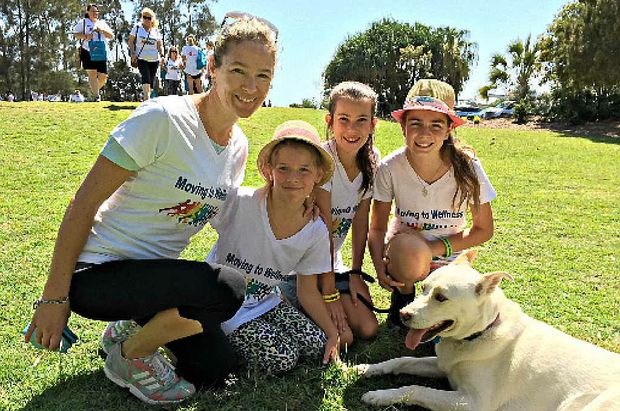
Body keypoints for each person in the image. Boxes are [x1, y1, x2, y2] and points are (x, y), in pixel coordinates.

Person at [25, 13, 279, 405]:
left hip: (151, 280)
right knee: (226, 288)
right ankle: (130, 358)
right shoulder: (163, 117)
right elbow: (84, 202)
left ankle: (128, 330)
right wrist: (54, 298)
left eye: (263, 75)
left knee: (217, 370)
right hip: (98, 273)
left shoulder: (239, 145)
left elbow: (225, 212)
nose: (250, 86)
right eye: (239, 70)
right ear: (212, 66)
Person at [207, 120, 341, 375]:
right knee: (284, 358)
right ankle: (210, 340)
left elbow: (308, 291)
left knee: (316, 344)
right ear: (269, 170)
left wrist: (333, 333)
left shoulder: (315, 230)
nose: (293, 178)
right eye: (283, 168)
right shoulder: (241, 202)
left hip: (265, 300)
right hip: (222, 302)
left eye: (304, 170)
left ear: (318, 175)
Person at [368, 79, 496, 329]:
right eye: (415, 123)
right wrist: (379, 266)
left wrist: (437, 249)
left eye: (436, 125)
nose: (424, 134)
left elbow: (484, 229)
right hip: (405, 253)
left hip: (450, 253)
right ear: (403, 126)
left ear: (449, 129)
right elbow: (377, 228)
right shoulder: (390, 168)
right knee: (408, 251)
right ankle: (403, 297)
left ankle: (434, 311)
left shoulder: (468, 166)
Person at [280, 82, 380, 341]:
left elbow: (360, 221)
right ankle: (283, 299)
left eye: (361, 120)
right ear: (330, 121)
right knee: (344, 336)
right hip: (301, 266)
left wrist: (356, 273)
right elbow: (323, 228)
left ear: (373, 125)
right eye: (343, 119)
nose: (351, 129)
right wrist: (329, 291)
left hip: (333, 265)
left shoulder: (372, 159)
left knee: (368, 328)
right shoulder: (323, 159)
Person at [73, 4, 114, 102]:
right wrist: (86, 36)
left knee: (103, 76)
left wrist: (102, 31)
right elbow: (76, 34)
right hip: (87, 50)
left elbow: (111, 36)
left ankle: (94, 89)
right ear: (88, 12)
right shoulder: (83, 22)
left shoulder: (102, 23)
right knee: (92, 74)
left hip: (100, 50)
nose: (95, 13)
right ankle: (96, 96)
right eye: (92, 11)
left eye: (96, 11)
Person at [129, 8, 164, 101]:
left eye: (149, 18)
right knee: (146, 76)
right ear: (142, 17)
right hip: (141, 58)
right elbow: (131, 41)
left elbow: (160, 45)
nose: (146, 20)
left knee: (151, 80)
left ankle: (147, 96)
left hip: (154, 59)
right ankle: (146, 98)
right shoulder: (137, 28)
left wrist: (162, 56)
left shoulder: (156, 31)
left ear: (153, 19)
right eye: (144, 17)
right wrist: (133, 53)